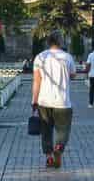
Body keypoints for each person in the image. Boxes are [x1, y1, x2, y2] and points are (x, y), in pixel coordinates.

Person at [32, 37, 76, 168]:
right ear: (61, 43)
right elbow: (73, 75)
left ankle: (49, 157)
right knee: (63, 130)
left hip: (44, 101)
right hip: (62, 102)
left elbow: (36, 80)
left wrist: (34, 100)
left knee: (46, 130)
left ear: (48, 42)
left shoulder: (40, 57)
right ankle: (58, 147)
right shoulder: (67, 57)